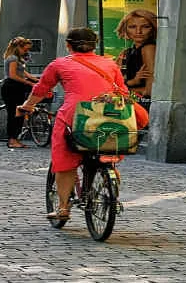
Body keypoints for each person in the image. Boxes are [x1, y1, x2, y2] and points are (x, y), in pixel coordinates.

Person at [16, 28, 127, 221]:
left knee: (64, 159)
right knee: (107, 151)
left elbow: (42, 88)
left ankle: (63, 207)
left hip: (75, 115)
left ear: (68, 45)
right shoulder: (110, 64)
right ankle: (110, 189)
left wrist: (27, 106)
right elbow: (122, 92)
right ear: (95, 45)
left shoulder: (59, 64)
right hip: (108, 114)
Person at [0, 37, 40, 148]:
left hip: (17, 87)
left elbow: (23, 72)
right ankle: (12, 140)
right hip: (11, 87)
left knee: (19, 113)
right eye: (25, 49)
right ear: (18, 47)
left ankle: (15, 139)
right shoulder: (12, 58)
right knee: (14, 114)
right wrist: (29, 83)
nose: (26, 52)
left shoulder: (18, 58)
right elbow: (13, 75)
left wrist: (35, 79)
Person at [116, 9, 157, 101]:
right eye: (132, 27)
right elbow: (113, 84)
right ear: (125, 29)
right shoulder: (126, 52)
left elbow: (149, 92)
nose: (138, 31)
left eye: (145, 27)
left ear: (153, 28)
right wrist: (132, 82)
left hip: (145, 106)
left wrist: (126, 88)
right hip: (133, 104)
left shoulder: (149, 49)